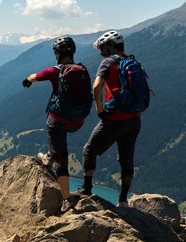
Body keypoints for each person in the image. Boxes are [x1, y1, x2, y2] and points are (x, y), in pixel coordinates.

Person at [22, 36, 91, 213]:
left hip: (59, 122)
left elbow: (35, 77)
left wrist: (27, 80)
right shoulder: (82, 69)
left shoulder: (55, 71)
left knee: (61, 155)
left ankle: (67, 199)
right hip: (78, 122)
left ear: (57, 54)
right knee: (58, 141)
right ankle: (51, 154)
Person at [73, 30, 141, 207]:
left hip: (114, 118)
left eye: (102, 48)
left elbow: (96, 87)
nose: (101, 52)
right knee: (127, 157)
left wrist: (100, 109)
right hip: (134, 120)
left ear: (110, 46)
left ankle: (86, 190)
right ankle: (123, 200)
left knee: (89, 149)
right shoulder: (131, 61)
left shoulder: (108, 62)